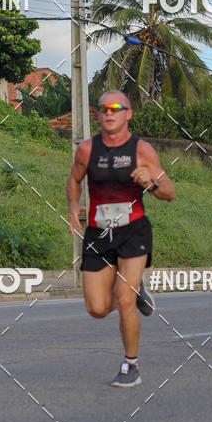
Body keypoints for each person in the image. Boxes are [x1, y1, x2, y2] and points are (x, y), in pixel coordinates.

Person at [66, 90, 174, 386]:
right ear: (98, 115)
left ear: (128, 114)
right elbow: (74, 180)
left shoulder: (142, 150)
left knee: (124, 301)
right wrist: (74, 206)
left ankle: (131, 365)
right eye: (103, 108)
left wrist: (150, 184)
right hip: (99, 232)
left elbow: (169, 192)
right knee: (97, 308)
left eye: (116, 108)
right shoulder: (87, 150)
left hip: (133, 230)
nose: (109, 113)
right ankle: (137, 289)